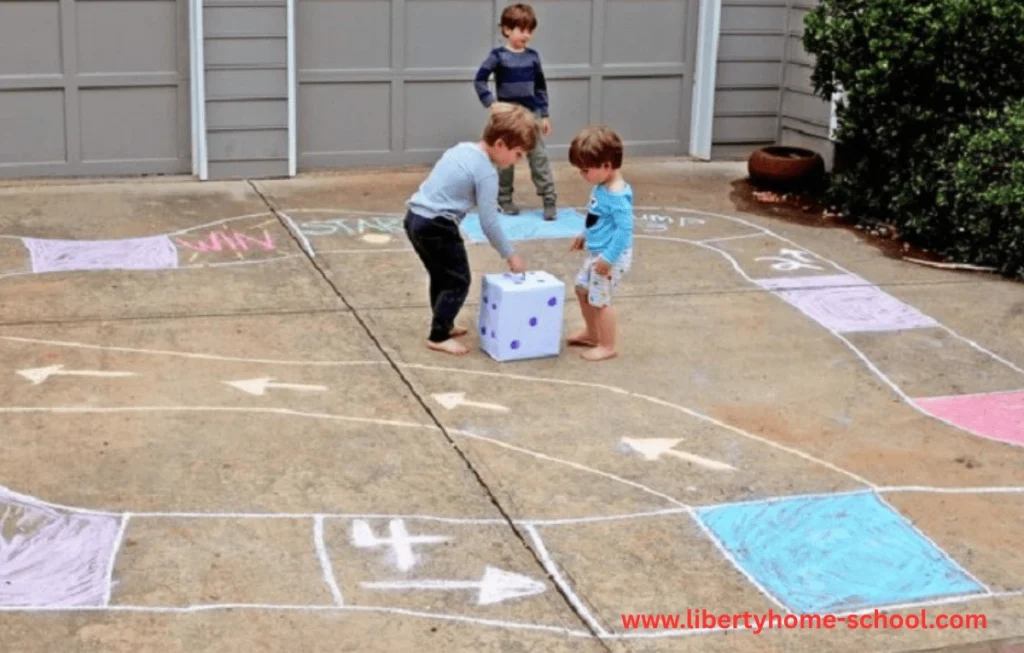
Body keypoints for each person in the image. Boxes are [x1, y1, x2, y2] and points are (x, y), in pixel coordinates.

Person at [404, 103, 535, 356]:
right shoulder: (486, 173)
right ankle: (438, 335)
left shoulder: (462, 148)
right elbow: (489, 222)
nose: (518, 161)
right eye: (517, 154)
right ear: (499, 145)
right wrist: (510, 254)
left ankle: (444, 322)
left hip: (415, 218)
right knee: (458, 281)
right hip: (437, 225)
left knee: (441, 276)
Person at [473, 3, 558, 220]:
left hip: (532, 115)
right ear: (507, 30)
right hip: (508, 117)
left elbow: (540, 86)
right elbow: (480, 80)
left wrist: (545, 114)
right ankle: (504, 199)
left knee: (538, 158)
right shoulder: (498, 56)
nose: (526, 35)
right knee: (505, 160)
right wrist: (491, 103)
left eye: (530, 30)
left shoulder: (533, 57)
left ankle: (549, 199)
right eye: (521, 30)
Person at [566, 125, 634, 362]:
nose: (582, 175)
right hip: (599, 253)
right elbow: (594, 215)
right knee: (582, 289)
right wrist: (584, 233)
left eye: (585, 170)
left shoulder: (617, 196)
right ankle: (592, 333)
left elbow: (625, 231)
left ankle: (607, 345)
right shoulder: (601, 186)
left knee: (601, 300)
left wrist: (608, 259)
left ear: (606, 165)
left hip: (611, 256)